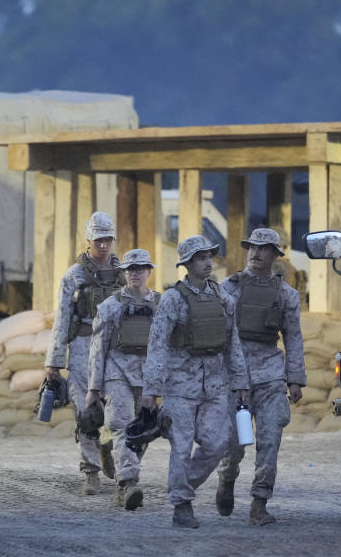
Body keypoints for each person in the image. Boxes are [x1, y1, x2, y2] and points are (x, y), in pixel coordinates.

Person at [140, 235, 249, 529]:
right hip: (179, 387)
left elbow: (233, 342)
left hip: (215, 385)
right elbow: (158, 343)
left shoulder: (223, 299)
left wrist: (241, 382)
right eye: (201, 258)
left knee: (217, 442)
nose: (207, 262)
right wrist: (152, 389)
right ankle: (182, 506)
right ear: (187, 264)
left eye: (209, 257)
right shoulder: (173, 300)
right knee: (181, 445)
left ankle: (180, 487)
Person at [216, 227, 305, 525]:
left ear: (275, 255)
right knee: (237, 441)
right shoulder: (229, 288)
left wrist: (295, 379)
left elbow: (293, 337)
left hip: (270, 378)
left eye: (263, 249)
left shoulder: (286, 295)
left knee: (269, 439)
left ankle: (259, 502)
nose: (255, 253)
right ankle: (227, 479)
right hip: (238, 382)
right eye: (252, 248)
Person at [45, 211, 124, 495]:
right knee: (86, 411)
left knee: (119, 408)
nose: (103, 245)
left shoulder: (124, 273)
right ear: (88, 240)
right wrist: (54, 362)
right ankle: (90, 470)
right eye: (98, 240)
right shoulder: (74, 275)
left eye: (108, 239)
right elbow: (62, 318)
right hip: (82, 346)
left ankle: (109, 449)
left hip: (115, 348)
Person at [86, 248, 159, 511]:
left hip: (148, 378)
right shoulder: (111, 306)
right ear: (124, 273)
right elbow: (98, 347)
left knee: (144, 432)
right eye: (130, 269)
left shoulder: (161, 306)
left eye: (140, 268)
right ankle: (127, 484)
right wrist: (94, 388)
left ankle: (113, 455)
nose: (135, 273)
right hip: (117, 373)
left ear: (149, 271)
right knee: (121, 424)